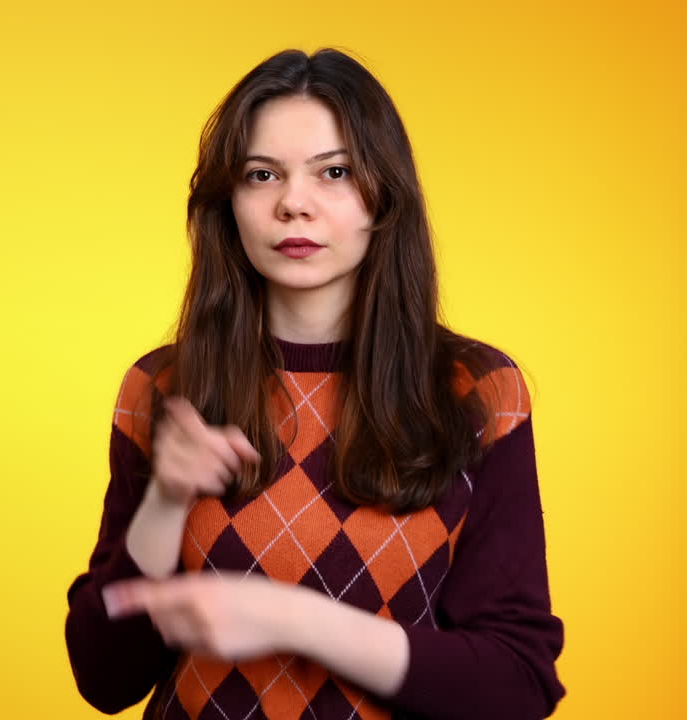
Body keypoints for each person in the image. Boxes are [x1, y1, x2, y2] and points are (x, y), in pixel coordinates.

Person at [63, 48, 565, 720]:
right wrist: (167, 499)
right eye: (261, 175)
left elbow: (517, 685)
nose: (293, 204)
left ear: (384, 195)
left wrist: (291, 620)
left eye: (334, 172)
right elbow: (104, 678)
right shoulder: (162, 386)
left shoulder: (475, 391)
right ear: (228, 202)